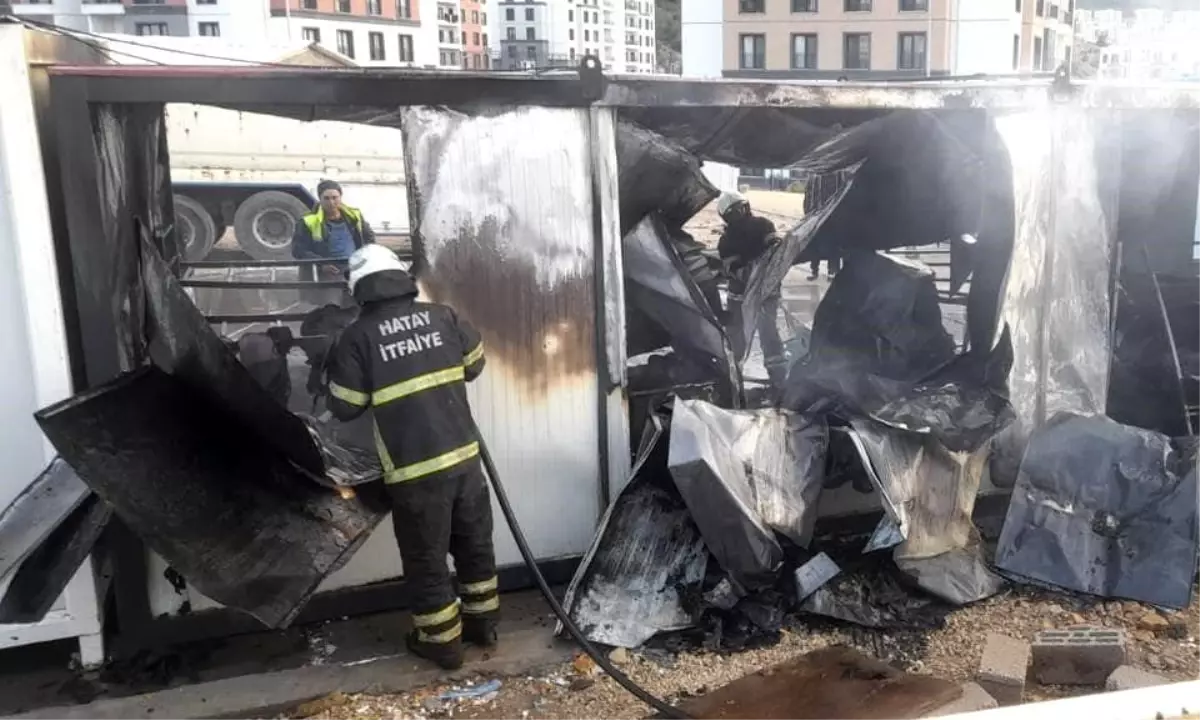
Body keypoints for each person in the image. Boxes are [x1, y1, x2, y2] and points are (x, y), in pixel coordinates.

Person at [324, 245, 495, 672]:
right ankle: (484, 625)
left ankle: (442, 644)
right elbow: (475, 364)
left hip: (415, 473)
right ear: (400, 279)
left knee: (427, 558)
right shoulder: (443, 316)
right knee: (475, 546)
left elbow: (345, 406)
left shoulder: (357, 337)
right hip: (466, 460)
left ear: (358, 289)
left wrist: (333, 366)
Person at [715, 192, 788, 387]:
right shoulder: (728, 240)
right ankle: (734, 379)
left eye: (741, 208)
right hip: (748, 294)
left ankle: (777, 381)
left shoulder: (762, 226)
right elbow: (737, 270)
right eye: (736, 211)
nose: (741, 213)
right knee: (741, 338)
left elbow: (776, 252)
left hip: (760, 293)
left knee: (766, 336)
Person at [292, 179, 377, 268]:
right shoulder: (308, 222)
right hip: (324, 276)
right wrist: (322, 265)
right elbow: (298, 251)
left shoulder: (355, 216)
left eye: (334, 197)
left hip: (353, 270)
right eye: (326, 198)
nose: (331, 202)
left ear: (340, 197)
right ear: (319, 199)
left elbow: (369, 238)